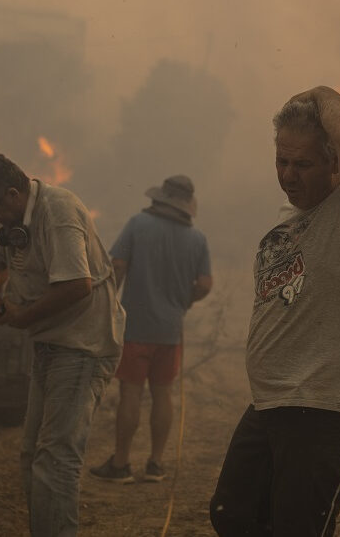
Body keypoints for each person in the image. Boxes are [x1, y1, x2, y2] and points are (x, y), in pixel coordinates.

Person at [209, 86, 340, 536]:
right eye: (282, 161)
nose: (288, 175)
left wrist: (317, 93)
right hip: (273, 401)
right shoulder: (288, 220)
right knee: (232, 515)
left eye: (303, 163)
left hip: (327, 404)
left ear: (335, 164)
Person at [0, 153, 124, 537]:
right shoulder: (12, 218)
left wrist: (21, 317)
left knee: (56, 460)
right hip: (51, 343)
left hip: (83, 346)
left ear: (14, 194)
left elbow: (77, 285)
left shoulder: (58, 211)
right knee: (32, 456)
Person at [89, 175, 213, 484]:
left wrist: (111, 308)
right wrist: (183, 302)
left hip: (135, 327)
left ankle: (120, 464)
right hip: (170, 331)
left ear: (160, 198)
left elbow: (116, 266)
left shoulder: (138, 224)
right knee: (163, 394)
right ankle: (156, 464)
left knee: (130, 392)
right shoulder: (197, 239)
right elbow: (205, 284)